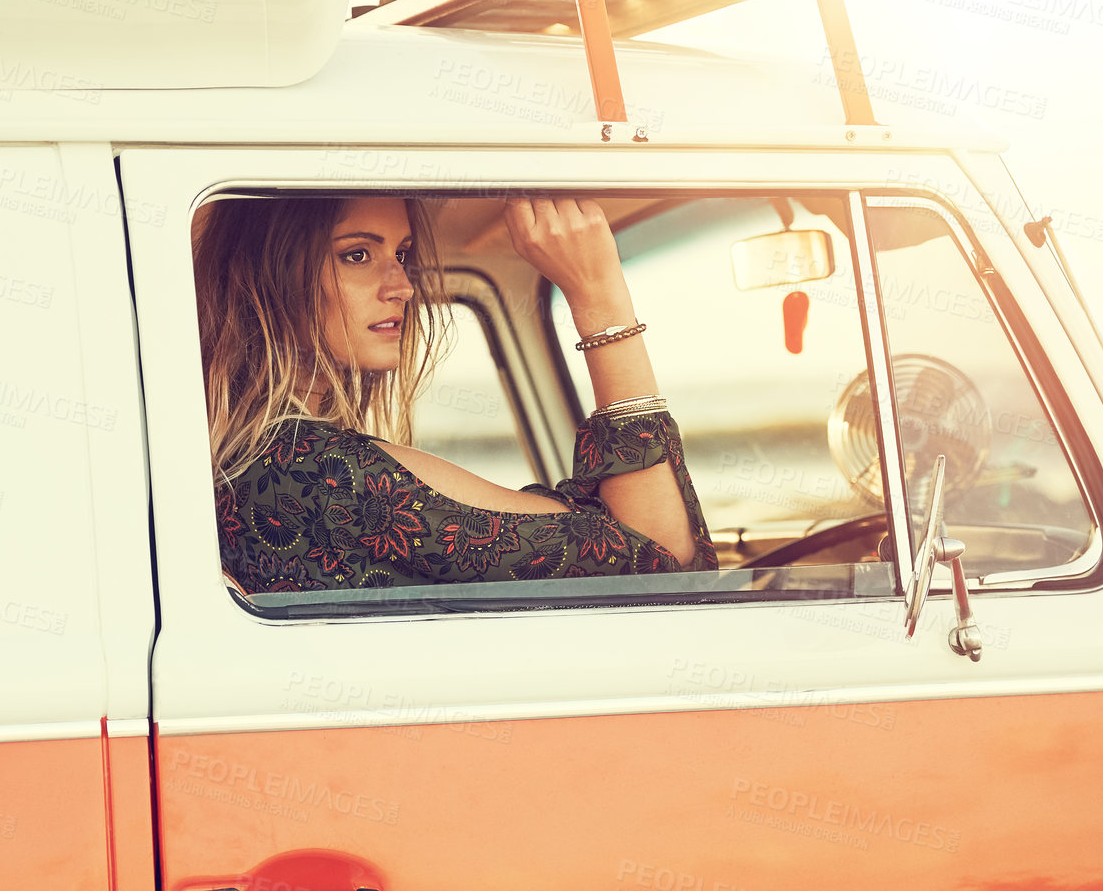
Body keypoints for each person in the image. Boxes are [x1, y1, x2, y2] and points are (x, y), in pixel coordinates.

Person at [196, 193, 719, 592]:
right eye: (356, 254)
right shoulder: (321, 473)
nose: (401, 285)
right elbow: (665, 562)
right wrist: (600, 295)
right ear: (267, 277)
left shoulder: (258, 464)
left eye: (401, 254)